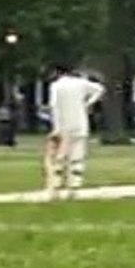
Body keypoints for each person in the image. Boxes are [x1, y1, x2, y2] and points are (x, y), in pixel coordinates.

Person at [45, 64, 106, 198]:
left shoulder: (56, 86)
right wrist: (88, 103)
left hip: (63, 125)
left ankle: (56, 186)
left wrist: (56, 127)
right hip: (80, 122)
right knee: (77, 156)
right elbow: (100, 89)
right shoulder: (81, 83)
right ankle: (74, 187)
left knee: (60, 156)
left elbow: (54, 106)